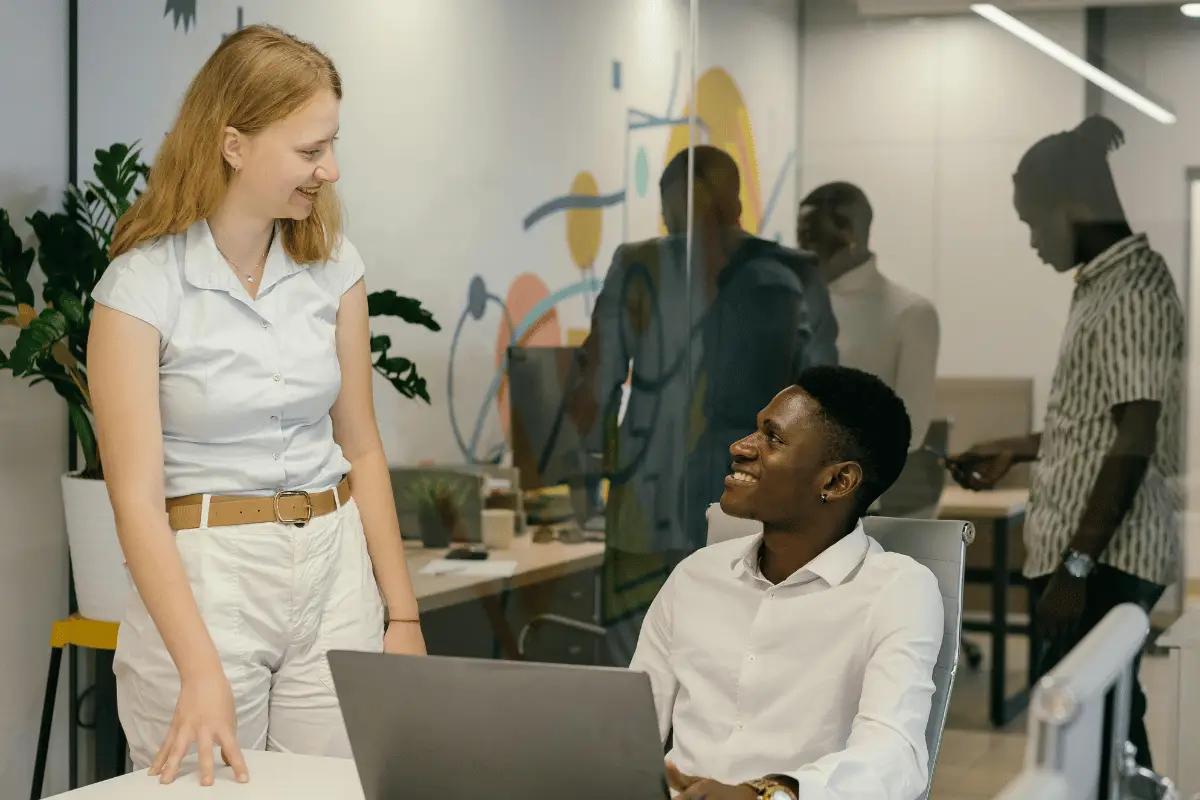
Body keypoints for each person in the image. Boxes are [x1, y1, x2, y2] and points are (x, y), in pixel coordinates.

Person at [88, 25, 425, 787]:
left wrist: (401, 617)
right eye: (310, 151)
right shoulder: (141, 288)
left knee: (339, 787)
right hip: (206, 579)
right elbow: (134, 499)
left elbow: (362, 446)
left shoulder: (333, 265)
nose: (329, 169)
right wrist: (199, 667)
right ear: (233, 144)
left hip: (335, 570)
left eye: (331, 145)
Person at [952, 116, 1183, 769]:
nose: (1031, 240)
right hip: (1088, 553)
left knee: (1097, 735)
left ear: (1072, 209)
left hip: (1103, 558)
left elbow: (1136, 437)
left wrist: (1078, 567)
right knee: (1098, 732)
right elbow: (1098, 422)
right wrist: (1019, 448)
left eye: (1033, 222)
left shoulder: (1133, 291)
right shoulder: (1102, 286)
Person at [573, 146, 837, 663]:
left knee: (678, 647)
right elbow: (822, 402)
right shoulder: (787, 271)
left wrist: (585, 481)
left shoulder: (780, 272)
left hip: (721, 493)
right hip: (687, 494)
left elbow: (597, 381)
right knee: (707, 646)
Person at [630, 366, 943, 800]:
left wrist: (764, 795)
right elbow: (629, 729)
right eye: (756, 430)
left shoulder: (898, 591)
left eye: (772, 438)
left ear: (837, 481)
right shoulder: (695, 576)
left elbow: (894, 757)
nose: (740, 447)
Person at [799, 182, 939, 449]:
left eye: (812, 238)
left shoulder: (911, 314)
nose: (802, 251)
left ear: (849, 233)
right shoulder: (794, 304)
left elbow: (910, 431)